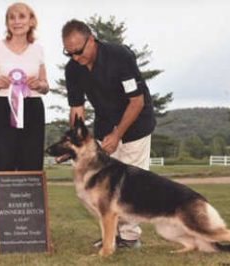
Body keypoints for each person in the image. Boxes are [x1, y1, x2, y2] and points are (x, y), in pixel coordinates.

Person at [62, 19, 156, 248]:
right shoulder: (73, 68)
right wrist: (77, 141)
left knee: (130, 185)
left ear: (91, 40)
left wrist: (118, 134)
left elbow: (137, 101)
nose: (75, 57)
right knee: (100, 184)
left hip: (136, 124)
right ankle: (111, 235)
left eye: (79, 51)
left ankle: (130, 237)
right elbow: (77, 109)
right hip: (105, 124)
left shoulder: (119, 56)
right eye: (69, 52)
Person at [0, 2, 49, 171]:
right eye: (11, 17)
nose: (16, 21)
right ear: (7, 23)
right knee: (1, 160)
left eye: (21, 16)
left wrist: (39, 85)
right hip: (2, 108)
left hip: (32, 108)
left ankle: (31, 197)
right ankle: (3, 198)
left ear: (31, 21)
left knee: (31, 161)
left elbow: (46, 86)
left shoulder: (38, 49)